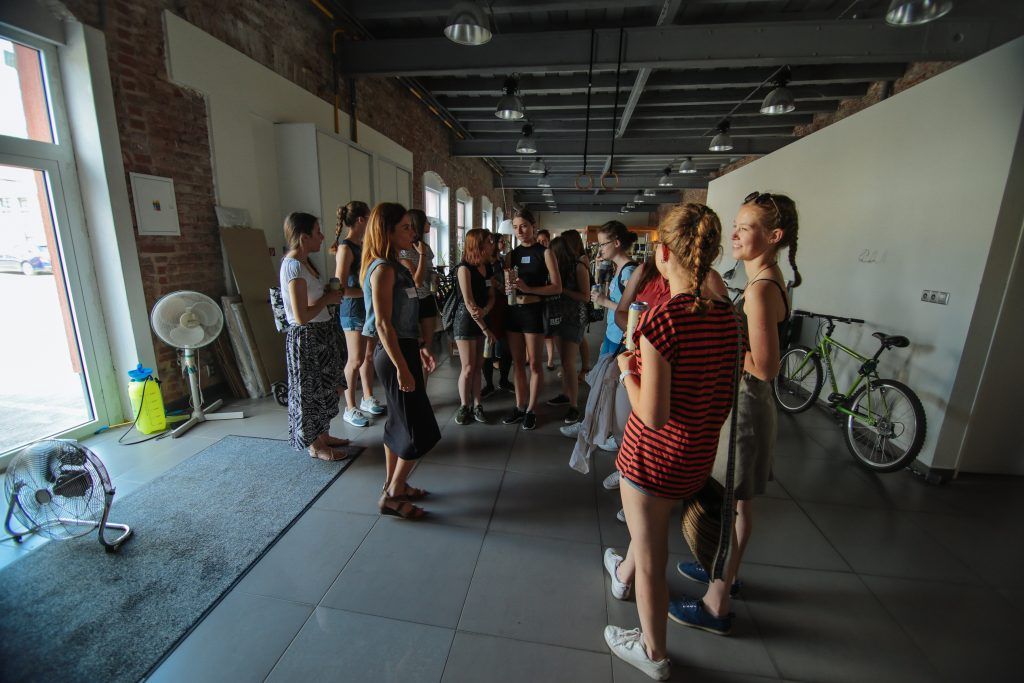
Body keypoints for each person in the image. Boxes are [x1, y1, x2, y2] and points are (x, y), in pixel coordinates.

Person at [602, 203, 742, 682]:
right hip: (696, 453)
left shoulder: (664, 321)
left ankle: (653, 651)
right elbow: (723, 390)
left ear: (662, 254)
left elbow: (652, 413)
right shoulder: (729, 317)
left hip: (651, 457)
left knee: (652, 555)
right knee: (647, 532)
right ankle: (621, 576)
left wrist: (627, 369)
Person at [671, 191, 800, 635]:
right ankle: (723, 568)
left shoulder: (762, 289)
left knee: (732, 504)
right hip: (742, 402)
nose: (736, 234)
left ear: (774, 236)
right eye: (737, 225)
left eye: (746, 228)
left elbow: (764, 366)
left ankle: (717, 602)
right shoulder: (765, 279)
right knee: (735, 502)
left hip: (746, 407)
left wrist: (721, 338)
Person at [361, 202, 441, 520]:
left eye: (412, 226)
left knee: (398, 422)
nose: (413, 232)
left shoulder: (397, 266)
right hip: (393, 355)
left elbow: (403, 317)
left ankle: (395, 484)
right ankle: (393, 494)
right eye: (405, 227)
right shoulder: (383, 269)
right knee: (421, 429)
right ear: (387, 231)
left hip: (404, 348)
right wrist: (402, 367)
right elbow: (383, 324)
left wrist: (419, 347)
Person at [279, 212, 350, 461]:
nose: (322, 237)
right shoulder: (293, 267)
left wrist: (327, 295)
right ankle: (315, 446)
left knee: (326, 389)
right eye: (317, 232)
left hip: (320, 335)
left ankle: (323, 435)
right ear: (304, 237)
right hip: (306, 338)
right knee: (309, 394)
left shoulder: (306, 263)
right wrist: (327, 299)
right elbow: (300, 316)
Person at [501, 210, 562, 430]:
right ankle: (520, 406)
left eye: (524, 226)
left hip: (534, 312)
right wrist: (506, 286)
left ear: (533, 226)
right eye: (515, 227)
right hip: (513, 312)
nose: (519, 231)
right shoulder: (511, 255)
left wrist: (529, 289)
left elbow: (557, 287)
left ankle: (531, 409)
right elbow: (508, 284)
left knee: (535, 364)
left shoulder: (545, 253)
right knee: (518, 363)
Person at [332, 200, 383, 428]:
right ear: (361, 220)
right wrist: (368, 291)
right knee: (355, 360)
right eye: (369, 217)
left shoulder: (362, 245)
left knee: (368, 356)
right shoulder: (345, 248)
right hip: (352, 310)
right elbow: (340, 287)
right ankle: (350, 407)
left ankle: (367, 397)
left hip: (367, 308)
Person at [544, 232, 590, 423]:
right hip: (557, 317)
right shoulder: (556, 270)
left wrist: (561, 289)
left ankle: (574, 406)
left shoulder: (579, 267)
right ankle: (565, 394)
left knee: (569, 364)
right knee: (564, 362)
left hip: (574, 318)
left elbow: (585, 297)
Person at [452, 228, 497, 424]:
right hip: (465, 321)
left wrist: (485, 311)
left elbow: (492, 295)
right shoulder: (464, 269)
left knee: (478, 366)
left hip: (482, 318)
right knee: (468, 367)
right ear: (478, 245)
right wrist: (485, 329)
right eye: (488, 241)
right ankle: (464, 405)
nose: (492, 245)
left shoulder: (487, 267)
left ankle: (478, 405)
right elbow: (469, 303)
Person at [400, 209, 439, 388]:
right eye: (426, 222)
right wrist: (422, 255)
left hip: (427, 298)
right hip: (412, 302)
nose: (429, 225)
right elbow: (416, 280)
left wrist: (434, 278)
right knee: (413, 348)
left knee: (427, 348)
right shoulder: (405, 250)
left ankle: (423, 390)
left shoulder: (425, 247)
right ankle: (412, 388)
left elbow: (427, 273)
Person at [591, 221, 639, 356]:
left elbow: (633, 311)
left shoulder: (628, 272)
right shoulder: (618, 268)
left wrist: (604, 302)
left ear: (616, 243)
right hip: (611, 333)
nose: (600, 249)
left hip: (620, 338)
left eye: (603, 244)